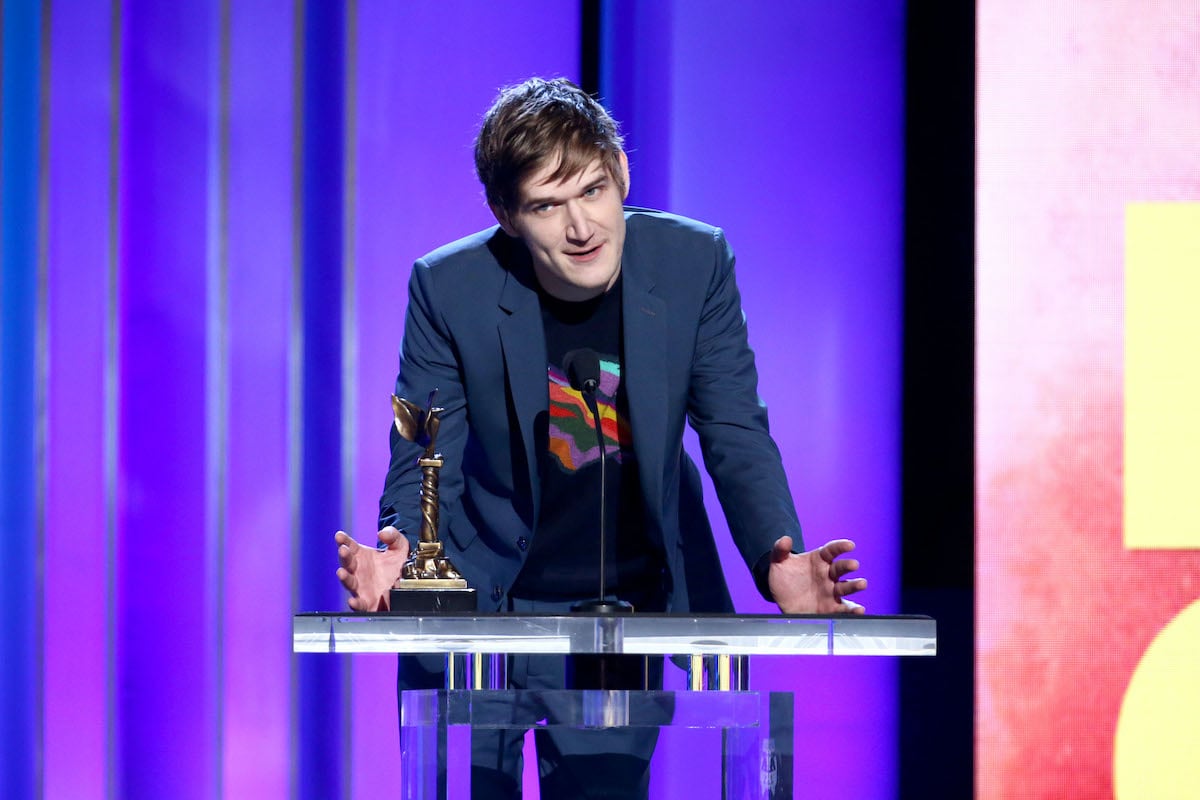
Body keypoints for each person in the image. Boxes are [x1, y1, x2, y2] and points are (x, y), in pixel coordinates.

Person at [336, 77, 866, 798]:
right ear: (507, 214)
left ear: (620, 173)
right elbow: (427, 443)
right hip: (477, 608)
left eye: (591, 191)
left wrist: (775, 554)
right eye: (547, 206)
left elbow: (734, 427)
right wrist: (401, 542)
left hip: (617, 617)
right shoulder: (450, 286)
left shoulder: (692, 265)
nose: (581, 227)